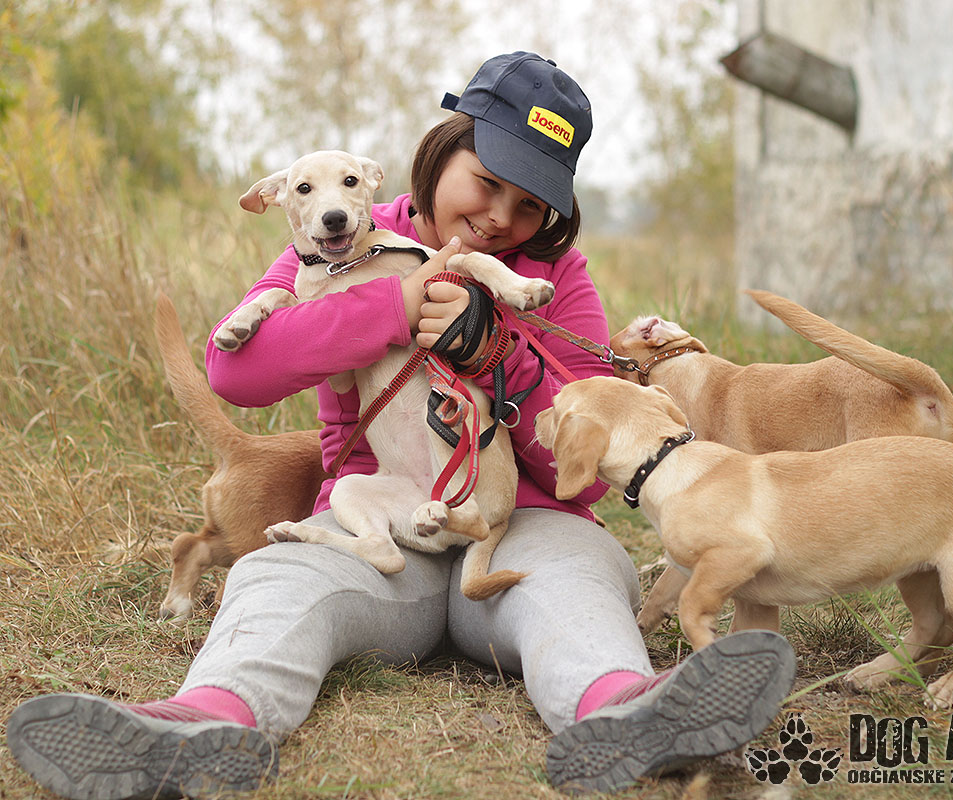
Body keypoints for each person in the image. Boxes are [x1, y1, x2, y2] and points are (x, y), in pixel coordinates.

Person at [6, 52, 795, 798]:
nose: (500, 218)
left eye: (530, 205)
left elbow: (582, 472)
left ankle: (626, 710)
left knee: (577, 583)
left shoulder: (555, 274)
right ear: (442, 149)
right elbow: (235, 373)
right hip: (381, 532)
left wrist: (498, 356)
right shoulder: (342, 236)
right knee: (281, 578)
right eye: (487, 183)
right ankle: (204, 723)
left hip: (519, 528)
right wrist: (393, 307)